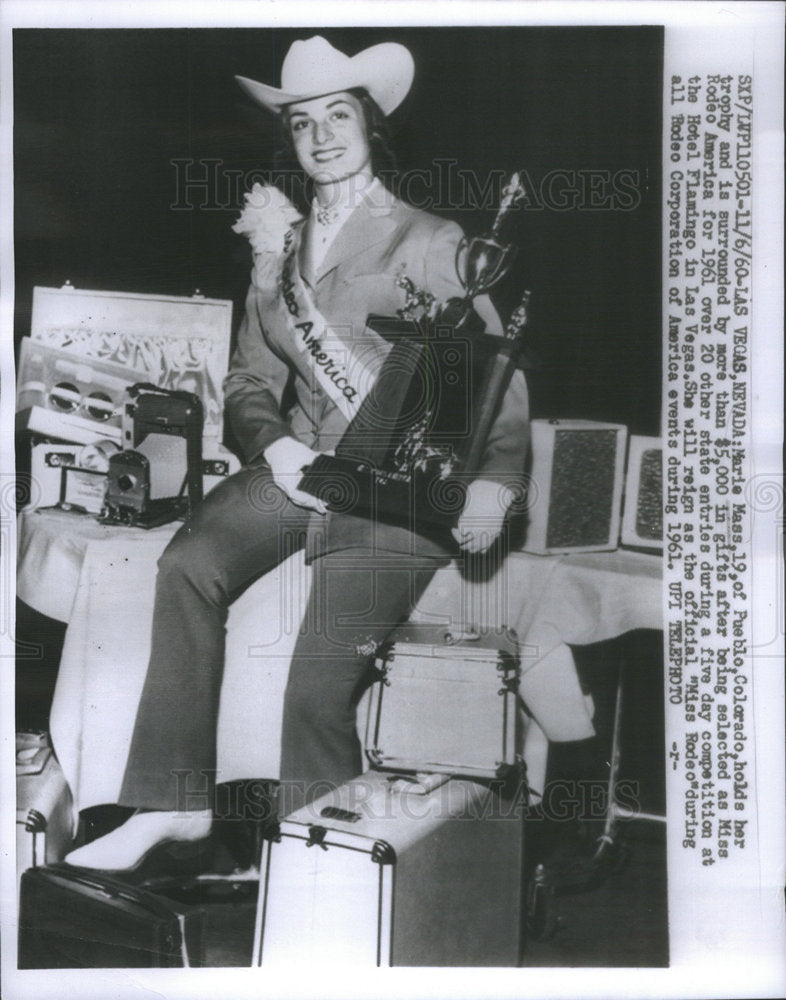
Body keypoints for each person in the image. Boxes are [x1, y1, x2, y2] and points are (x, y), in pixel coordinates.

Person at [65, 35, 529, 871]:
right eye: (302, 122)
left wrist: (495, 483)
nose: (319, 136)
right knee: (186, 565)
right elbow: (248, 377)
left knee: (315, 690)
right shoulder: (274, 249)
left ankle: (326, 874)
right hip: (302, 465)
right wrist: (273, 445)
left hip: (396, 490)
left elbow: (492, 375)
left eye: (337, 116)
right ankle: (173, 804)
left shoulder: (430, 237)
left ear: (371, 126)